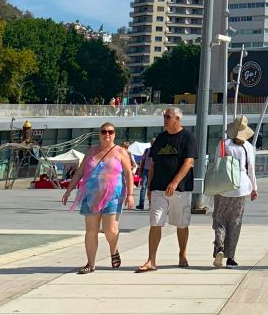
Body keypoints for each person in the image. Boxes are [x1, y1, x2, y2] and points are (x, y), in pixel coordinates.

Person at [62, 122, 134, 274]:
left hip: (113, 196)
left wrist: (130, 195)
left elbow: (128, 174)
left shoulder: (120, 152)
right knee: (91, 231)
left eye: (110, 132)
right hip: (91, 196)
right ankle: (91, 263)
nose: (107, 134)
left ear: (114, 134)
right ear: (99, 134)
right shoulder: (91, 151)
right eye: (104, 131)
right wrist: (68, 191)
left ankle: (114, 249)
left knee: (110, 230)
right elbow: (80, 172)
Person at [136, 107, 196, 272]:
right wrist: (149, 186)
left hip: (181, 189)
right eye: (164, 116)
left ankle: (182, 253)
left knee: (181, 223)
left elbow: (189, 162)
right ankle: (151, 260)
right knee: (155, 222)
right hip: (159, 188)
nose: (165, 119)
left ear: (178, 119)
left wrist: (175, 182)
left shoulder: (187, 137)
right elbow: (153, 163)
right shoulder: (160, 138)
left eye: (168, 117)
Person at [212, 116, 258, 269]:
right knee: (235, 221)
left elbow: (216, 164)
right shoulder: (248, 147)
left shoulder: (223, 145)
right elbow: (251, 169)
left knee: (219, 218)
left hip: (223, 186)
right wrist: (254, 188)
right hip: (242, 186)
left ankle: (219, 247)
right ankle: (231, 258)